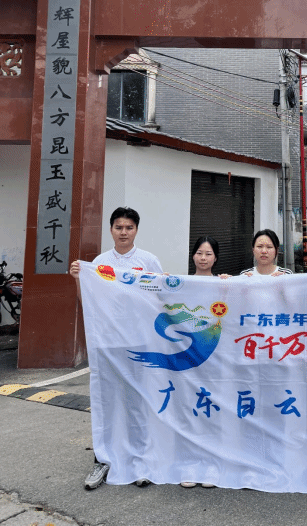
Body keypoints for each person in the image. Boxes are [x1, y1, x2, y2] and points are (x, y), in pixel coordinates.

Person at [70, 206, 162, 491]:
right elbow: (88, 303)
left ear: (136, 230)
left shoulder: (148, 261)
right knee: (106, 402)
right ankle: (103, 460)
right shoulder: (100, 263)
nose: (124, 232)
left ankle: (141, 461)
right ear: (110, 230)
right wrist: (79, 279)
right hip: (108, 343)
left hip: (139, 342)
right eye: (118, 227)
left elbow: (161, 298)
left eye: (129, 227)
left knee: (138, 402)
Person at [180, 235, 219, 489]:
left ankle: (211, 465)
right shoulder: (181, 284)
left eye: (208, 254)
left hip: (215, 359)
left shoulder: (224, 285)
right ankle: (189, 464)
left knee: (211, 410)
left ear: (215, 258)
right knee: (188, 411)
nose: (203, 258)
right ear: (193, 255)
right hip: (188, 358)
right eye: (199, 253)